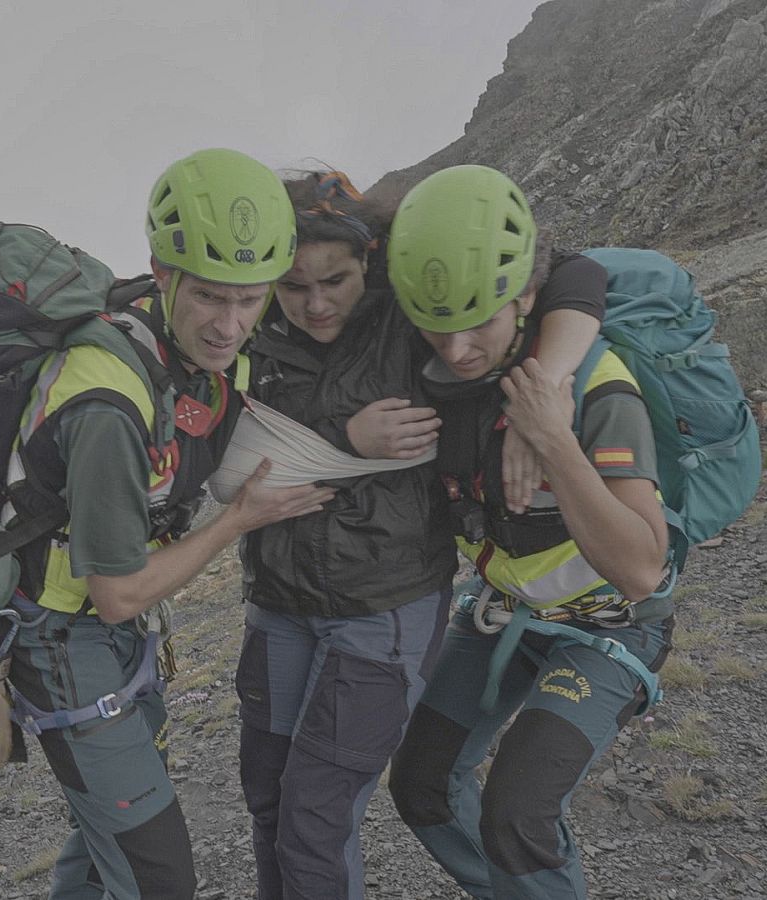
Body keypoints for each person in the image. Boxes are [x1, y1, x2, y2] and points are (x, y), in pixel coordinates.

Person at [233, 171, 602, 900]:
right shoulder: (248, 320)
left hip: (383, 608)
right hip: (276, 601)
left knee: (314, 817)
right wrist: (346, 436)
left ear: (367, 259)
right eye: (291, 285)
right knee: (269, 798)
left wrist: (543, 395)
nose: (313, 303)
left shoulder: (409, 305)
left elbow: (577, 273)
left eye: (333, 281)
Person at [3, 148, 336, 900]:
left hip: (107, 635)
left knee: (102, 854)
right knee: (159, 880)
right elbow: (118, 593)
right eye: (212, 298)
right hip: (66, 636)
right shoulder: (109, 405)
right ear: (162, 274)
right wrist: (235, 522)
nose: (230, 326)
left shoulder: (198, 351)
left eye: (251, 300)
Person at [384, 164, 674, 900]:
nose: (455, 349)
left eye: (479, 321)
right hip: (504, 614)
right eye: (437, 326)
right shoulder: (440, 378)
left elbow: (641, 567)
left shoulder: (595, 385)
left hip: (613, 625)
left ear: (527, 299)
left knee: (516, 816)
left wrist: (552, 438)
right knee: (420, 785)